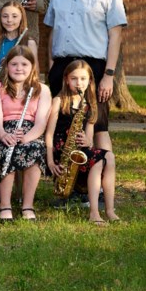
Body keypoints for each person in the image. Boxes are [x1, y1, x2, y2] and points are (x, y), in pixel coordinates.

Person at [44, 0, 127, 155]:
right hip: (62, 67)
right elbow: (53, 31)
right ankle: (68, 184)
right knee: (61, 126)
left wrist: (109, 75)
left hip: (94, 69)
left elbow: (116, 35)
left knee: (98, 127)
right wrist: (51, 66)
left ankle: (102, 184)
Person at [44, 60, 118, 225]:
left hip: (80, 149)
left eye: (83, 79)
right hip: (61, 150)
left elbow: (90, 139)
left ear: (90, 80)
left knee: (109, 157)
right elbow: (48, 134)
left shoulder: (90, 104)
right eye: (74, 78)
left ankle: (110, 210)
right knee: (98, 162)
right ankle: (94, 213)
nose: (79, 83)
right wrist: (50, 162)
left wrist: (88, 141)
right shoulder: (59, 101)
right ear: (66, 80)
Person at [0, 45, 52, 222]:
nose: (19, 68)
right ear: (7, 66)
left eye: (24, 64)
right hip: (4, 132)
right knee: (5, 150)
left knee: (34, 150)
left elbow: (41, 122)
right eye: (14, 64)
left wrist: (25, 138)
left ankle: (27, 205)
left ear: (32, 67)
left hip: (30, 133)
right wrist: (4, 136)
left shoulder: (42, 89)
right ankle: (5, 205)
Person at [0, 1, 36, 74]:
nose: (9, 20)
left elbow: (35, 72)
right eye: (5, 16)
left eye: (14, 16)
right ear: (0, 18)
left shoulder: (29, 43)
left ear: (21, 18)